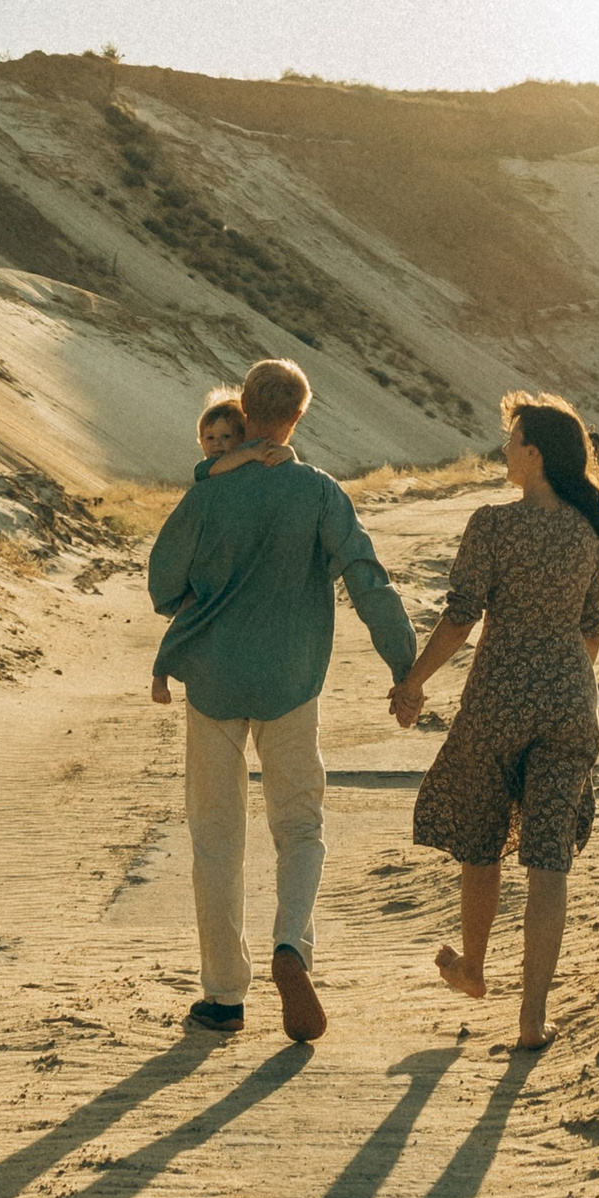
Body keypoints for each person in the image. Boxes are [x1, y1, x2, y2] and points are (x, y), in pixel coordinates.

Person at [145, 355, 417, 1045]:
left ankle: (224, 997)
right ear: (298, 417)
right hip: (293, 682)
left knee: (216, 837)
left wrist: (202, 599)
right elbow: (367, 578)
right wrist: (405, 666)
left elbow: (161, 587)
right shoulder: (321, 493)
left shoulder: (205, 495)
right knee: (299, 826)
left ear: (242, 408)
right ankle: (292, 944)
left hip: (214, 683)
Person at [390, 394, 599, 1052]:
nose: (503, 450)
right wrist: (560, 683)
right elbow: (591, 634)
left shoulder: (492, 525)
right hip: (570, 706)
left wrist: (413, 681)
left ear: (535, 454)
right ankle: (531, 1018)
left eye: (511, 440)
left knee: (482, 842)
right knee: (549, 864)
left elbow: (462, 618)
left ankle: (473, 968)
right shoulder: (592, 531)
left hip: (497, 704)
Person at [151, 396, 256, 704]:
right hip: (207, 561)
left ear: (242, 437)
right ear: (200, 442)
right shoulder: (208, 470)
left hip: (231, 558)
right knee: (187, 615)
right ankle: (160, 674)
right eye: (210, 438)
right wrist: (253, 453)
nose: (218, 444)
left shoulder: (242, 466)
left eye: (226, 437)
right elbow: (218, 467)